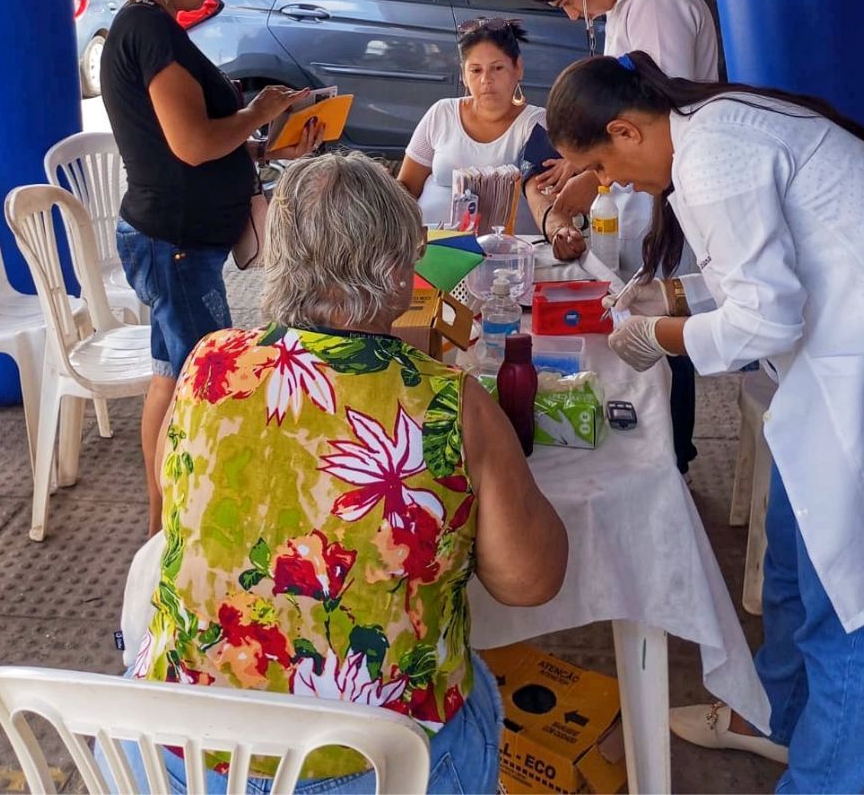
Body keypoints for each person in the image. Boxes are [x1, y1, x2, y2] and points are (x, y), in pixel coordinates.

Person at [544, 50, 864, 792]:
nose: (611, 185)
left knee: (852, 618)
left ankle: (821, 779)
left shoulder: (713, 156)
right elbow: (763, 271)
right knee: (790, 573)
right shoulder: (712, 127)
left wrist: (660, 337)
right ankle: (774, 720)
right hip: (836, 383)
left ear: (625, 131)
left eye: (601, 166)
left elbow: (766, 318)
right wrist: (672, 297)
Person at [130, 152, 569, 794]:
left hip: (179, 759)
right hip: (371, 769)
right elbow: (530, 581)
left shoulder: (208, 365)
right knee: (474, 682)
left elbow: (178, 495)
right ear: (396, 274)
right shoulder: (450, 402)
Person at [100, 0, 324, 534]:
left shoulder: (151, 27)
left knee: (173, 376)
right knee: (206, 379)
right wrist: (258, 113)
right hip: (172, 239)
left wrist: (265, 149)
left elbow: (181, 145)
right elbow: (193, 144)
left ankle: (163, 520)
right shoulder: (149, 31)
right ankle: (185, 521)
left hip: (173, 236)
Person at [517, 0, 719, 473]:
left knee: (671, 326)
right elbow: (617, 117)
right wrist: (585, 160)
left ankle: (672, 458)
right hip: (642, 191)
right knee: (644, 312)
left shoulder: (655, 4)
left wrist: (593, 173)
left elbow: (649, 120)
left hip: (664, 191)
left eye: (567, 1)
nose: (572, 16)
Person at [398, 18, 572, 232]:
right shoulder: (441, 113)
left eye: (497, 68)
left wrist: (558, 231)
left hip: (508, 248)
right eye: (476, 70)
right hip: (433, 244)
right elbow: (406, 187)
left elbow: (541, 194)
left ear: (518, 68)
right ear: (463, 75)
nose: (486, 80)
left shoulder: (534, 122)